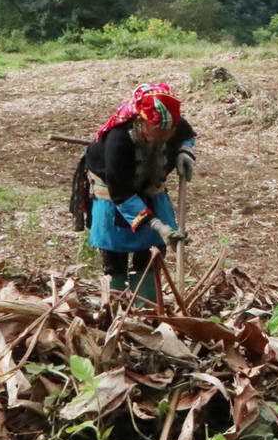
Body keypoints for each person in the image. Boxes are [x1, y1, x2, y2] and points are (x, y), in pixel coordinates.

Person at [83, 83, 195, 304]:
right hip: (113, 188)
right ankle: (115, 301)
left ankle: (146, 304)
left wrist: (185, 152)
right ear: (141, 122)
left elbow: (187, 135)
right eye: (160, 131)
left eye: (170, 131)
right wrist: (158, 225)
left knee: (152, 250)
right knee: (115, 248)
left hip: (151, 184)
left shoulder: (173, 124)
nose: (167, 136)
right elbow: (120, 193)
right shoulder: (118, 140)